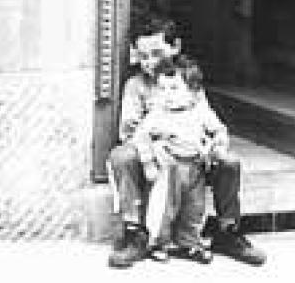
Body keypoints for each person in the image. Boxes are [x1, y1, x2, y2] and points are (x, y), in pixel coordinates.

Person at [106, 17, 266, 269]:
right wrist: (155, 150)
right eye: (143, 56)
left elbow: (207, 121)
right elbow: (130, 133)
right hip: (158, 158)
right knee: (121, 156)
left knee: (229, 161)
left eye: (157, 53)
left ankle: (227, 230)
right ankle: (135, 232)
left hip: (191, 157)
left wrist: (211, 145)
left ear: (175, 47)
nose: (150, 62)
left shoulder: (188, 81)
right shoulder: (136, 86)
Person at [134, 55, 226, 264]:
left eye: (174, 88)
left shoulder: (200, 111)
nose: (167, 95)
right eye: (162, 89)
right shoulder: (158, 114)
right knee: (164, 207)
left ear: (193, 90)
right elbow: (141, 136)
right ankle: (158, 243)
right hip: (170, 167)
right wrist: (148, 162)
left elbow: (219, 130)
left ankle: (189, 242)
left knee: (194, 208)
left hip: (195, 166)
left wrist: (216, 145)